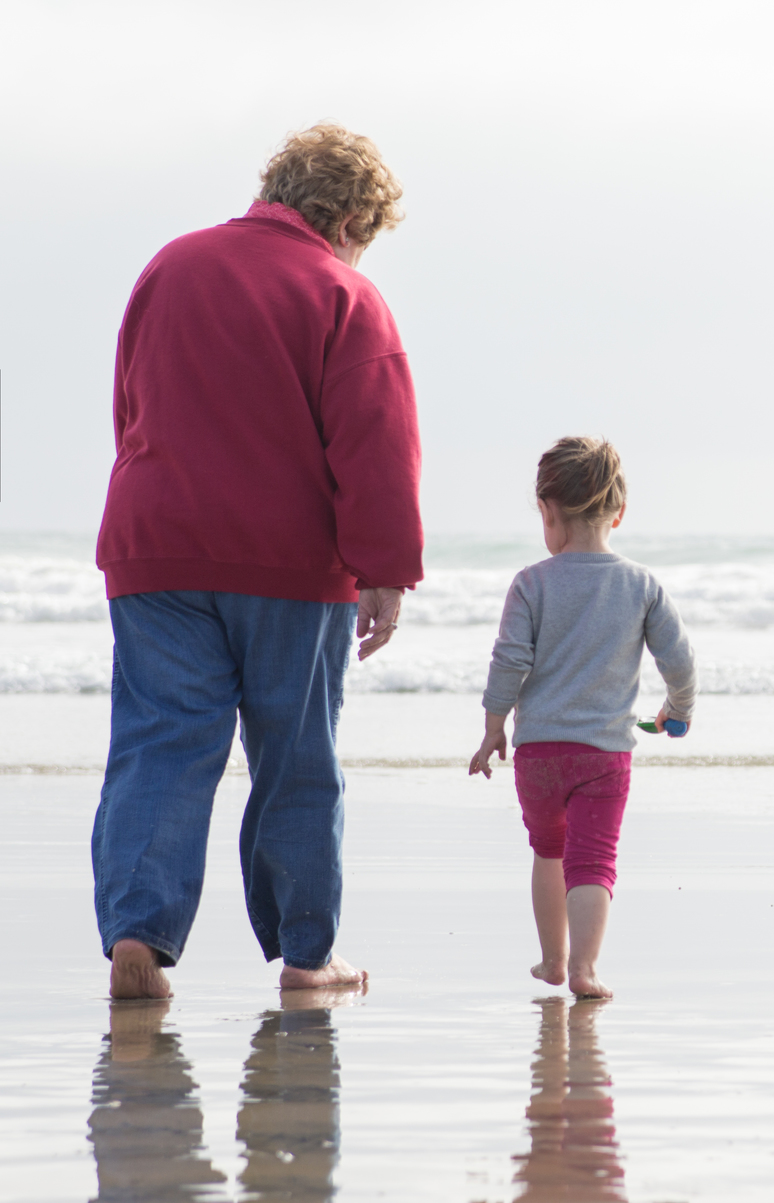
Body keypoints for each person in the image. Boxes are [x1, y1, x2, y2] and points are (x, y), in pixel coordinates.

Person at [93, 124, 423, 1000]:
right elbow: (376, 446)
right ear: (349, 217)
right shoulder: (343, 294)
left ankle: (138, 932)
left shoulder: (171, 266)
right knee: (295, 753)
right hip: (287, 561)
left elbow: (133, 402)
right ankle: (307, 954)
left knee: (160, 744)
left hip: (155, 546)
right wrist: (386, 570)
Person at [469, 437, 696, 999]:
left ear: (548, 512)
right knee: (593, 861)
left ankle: (552, 960)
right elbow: (680, 660)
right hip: (605, 757)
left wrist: (495, 724)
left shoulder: (531, 583)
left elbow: (509, 660)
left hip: (539, 755)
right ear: (619, 514)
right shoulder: (642, 586)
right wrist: (678, 709)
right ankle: (585, 970)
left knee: (549, 849)